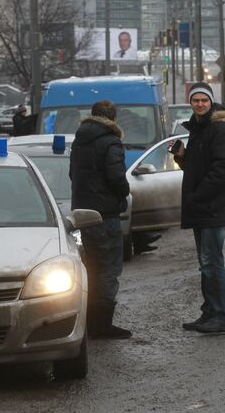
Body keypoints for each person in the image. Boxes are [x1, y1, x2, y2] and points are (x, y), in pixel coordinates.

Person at [172, 82, 225, 334]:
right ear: (190, 103)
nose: (199, 104)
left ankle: (221, 316)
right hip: (201, 207)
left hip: (213, 208)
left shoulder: (219, 129)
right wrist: (182, 157)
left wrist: (199, 195)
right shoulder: (199, 129)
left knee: (212, 262)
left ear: (211, 102)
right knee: (205, 263)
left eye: (204, 100)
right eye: (195, 100)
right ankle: (209, 311)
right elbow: (198, 167)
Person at [70, 100, 132, 339]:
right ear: (113, 119)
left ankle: (90, 322)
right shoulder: (111, 141)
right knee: (109, 269)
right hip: (105, 214)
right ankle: (102, 325)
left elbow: (72, 174)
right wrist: (122, 193)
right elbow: (117, 177)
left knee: (92, 268)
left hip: (84, 214)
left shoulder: (79, 140)